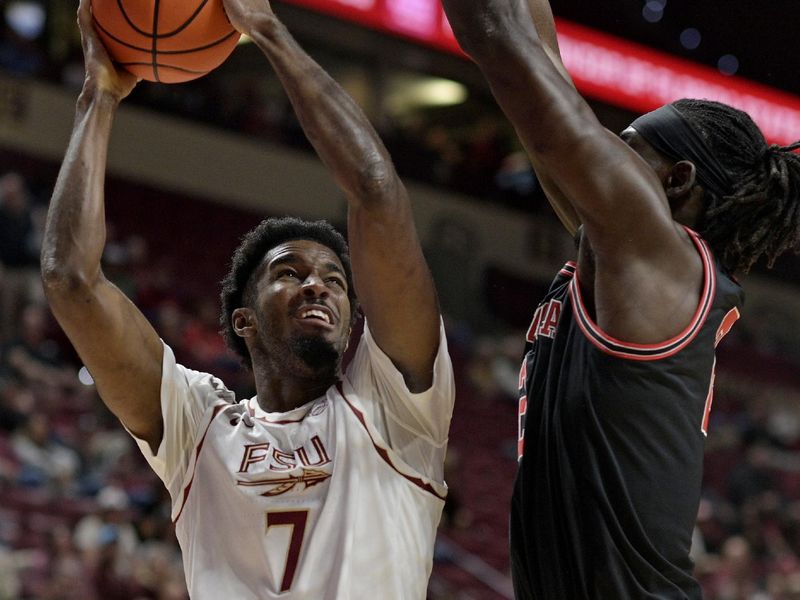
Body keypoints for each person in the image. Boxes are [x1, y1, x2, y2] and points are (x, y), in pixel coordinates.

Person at [41, 0, 454, 598]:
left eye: (336, 281)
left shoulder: (395, 409)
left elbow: (376, 192)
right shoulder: (197, 428)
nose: (318, 285)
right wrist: (98, 97)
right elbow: (70, 281)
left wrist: (267, 30)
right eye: (290, 273)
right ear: (244, 320)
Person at [439, 0, 800, 598]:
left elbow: (496, 38)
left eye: (626, 146)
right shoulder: (622, 257)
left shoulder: (663, 258)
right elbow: (539, 60)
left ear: (677, 180)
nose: (601, 150)